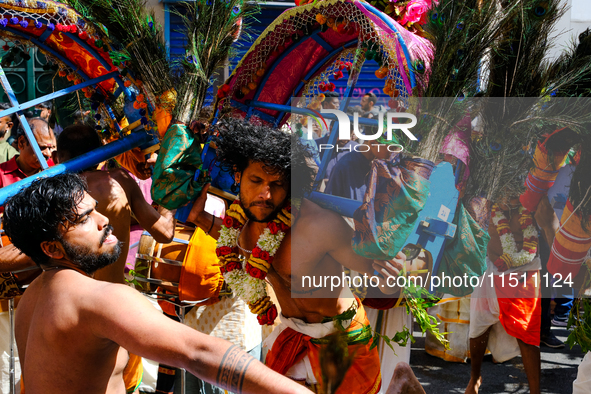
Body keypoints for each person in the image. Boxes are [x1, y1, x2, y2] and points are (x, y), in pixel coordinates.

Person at [2, 173, 312, 394]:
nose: (103, 220)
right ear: (53, 248)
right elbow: (199, 353)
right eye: (84, 219)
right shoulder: (97, 299)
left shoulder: (33, 297)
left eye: (96, 209)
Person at [185, 119, 422, 393]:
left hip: (341, 343)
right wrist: (200, 218)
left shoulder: (318, 226)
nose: (266, 194)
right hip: (290, 336)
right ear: (238, 176)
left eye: (277, 184)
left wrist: (393, 275)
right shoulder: (241, 223)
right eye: (256, 180)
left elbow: (380, 276)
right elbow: (237, 246)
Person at [56, 124, 175, 284]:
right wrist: (170, 184)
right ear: (101, 152)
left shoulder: (50, 192)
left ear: (58, 157)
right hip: (112, 294)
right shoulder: (119, 180)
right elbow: (165, 233)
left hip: (69, 296)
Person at [465, 194, 548, 394]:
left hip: (525, 269)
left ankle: (535, 391)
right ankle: (475, 377)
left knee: (527, 332)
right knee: (479, 325)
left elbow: (547, 224)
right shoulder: (491, 189)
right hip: (491, 264)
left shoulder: (535, 193)